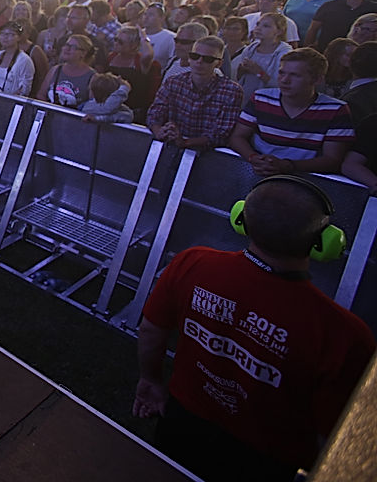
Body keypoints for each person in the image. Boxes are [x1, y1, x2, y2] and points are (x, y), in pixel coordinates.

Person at [133, 176, 374, 481]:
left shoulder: (191, 263)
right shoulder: (345, 335)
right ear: (324, 242)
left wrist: (151, 381)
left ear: (240, 219)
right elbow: (337, 432)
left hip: (183, 422)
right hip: (267, 460)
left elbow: (152, 331)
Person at [229, 48, 354, 177]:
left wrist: (288, 166)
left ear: (317, 80)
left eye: (295, 75)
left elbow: (333, 160)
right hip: (257, 171)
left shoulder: (336, 110)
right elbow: (238, 137)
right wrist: (253, 158)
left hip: (304, 178)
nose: (284, 80)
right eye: (281, 73)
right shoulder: (261, 98)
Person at [146, 36, 243, 150]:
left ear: (219, 64)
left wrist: (185, 142)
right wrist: (160, 132)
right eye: (195, 56)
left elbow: (222, 133)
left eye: (208, 59)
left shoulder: (231, 91)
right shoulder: (173, 82)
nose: (199, 61)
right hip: (169, 146)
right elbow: (155, 113)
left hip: (209, 156)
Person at [234, 11, 292, 101]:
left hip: (269, 100)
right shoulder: (250, 49)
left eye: (266, 26)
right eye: (258, 24)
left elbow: (281, 85)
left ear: (279, 31)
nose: (258, 28)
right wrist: (241, 70)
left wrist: (259, 72)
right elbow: (240, 79)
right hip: (247, 98)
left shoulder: (284, 54)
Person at [37, 34, 96, 109]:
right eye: (66, 45)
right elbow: (41, 95)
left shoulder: (92, 77)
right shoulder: (55, 70)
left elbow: (93, 106)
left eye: (73, 47)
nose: (67, 49)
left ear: (83, 53)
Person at [0, 21, 34, 96]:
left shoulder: (25, 60)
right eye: (2, 33)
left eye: (11, 34)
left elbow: (24, 90)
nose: (5, 37)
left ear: (19, 37)